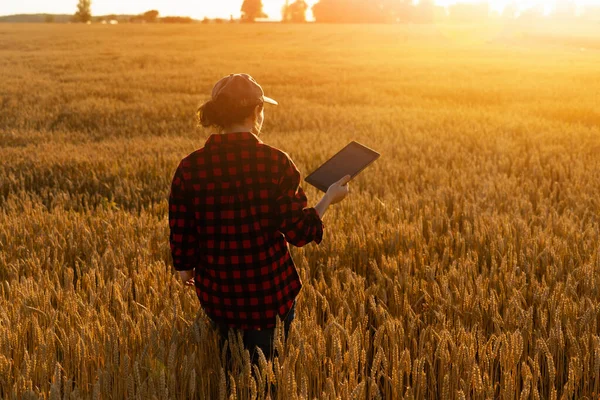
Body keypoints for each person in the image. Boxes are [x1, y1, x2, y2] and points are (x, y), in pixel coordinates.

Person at [168, 73, 350, 365]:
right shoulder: (276, 162)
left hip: (217, 296)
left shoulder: (189, 167)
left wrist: (184, 267)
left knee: (230, 371)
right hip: (269, 295)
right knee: (268, 377)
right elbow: (299, 232)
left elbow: (181, 226)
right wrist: (329, 197)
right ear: (256, 112)